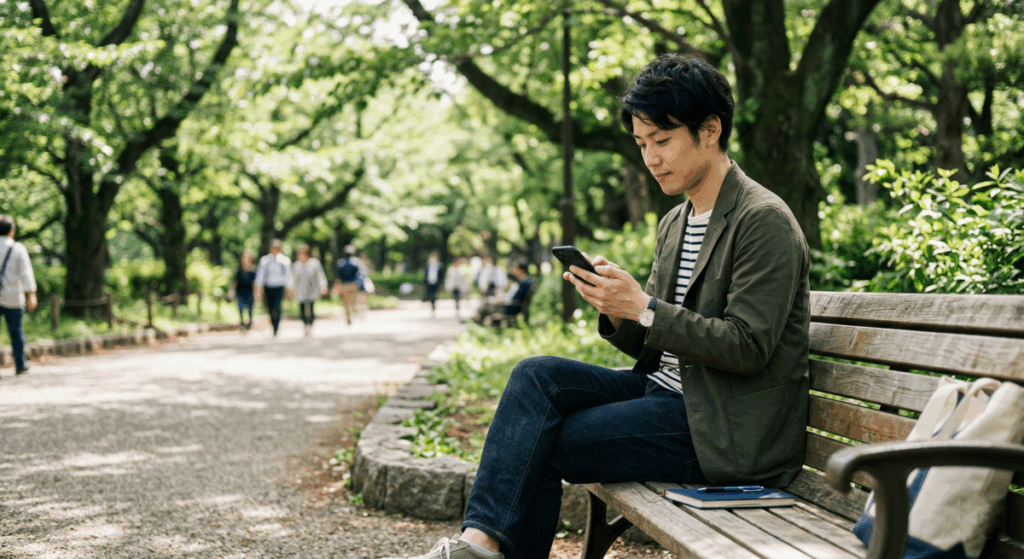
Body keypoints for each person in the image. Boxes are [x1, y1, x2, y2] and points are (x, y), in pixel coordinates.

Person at [392, 53, 811, 559]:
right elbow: (652, 339)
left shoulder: (762, 220)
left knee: (545, 443)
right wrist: (618, 309)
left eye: (662, 141)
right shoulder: (675, 222)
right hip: (670, 394)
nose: (651, 158)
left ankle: (477, 551)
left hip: (723, 427)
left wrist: (647, 307)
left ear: (710, 130)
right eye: (641, 144)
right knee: (534, 375)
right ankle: (478, 546)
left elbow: (748, 347)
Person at [0, 215, 37, 377]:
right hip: (13, 297)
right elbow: (26, 273)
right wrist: (31, 294)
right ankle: (20, 364)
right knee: (16, 332)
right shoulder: (18, 248)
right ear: (11, 231)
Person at [254, 239, 291, 337]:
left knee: (277, 307)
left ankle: (276, 327)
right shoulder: (265, 260)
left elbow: (288, 276)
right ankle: (272, 323)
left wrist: (289, 289)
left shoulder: (285, 260)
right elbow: (260, 276)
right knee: (270, 308)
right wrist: (258, 289)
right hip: (268, 287)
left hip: (279, 287)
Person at [290, 244, 328, 336]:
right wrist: (290, 289)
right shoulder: (296, 265)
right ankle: (305, 324)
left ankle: (310, 325)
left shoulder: (314, 263)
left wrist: (323, 287)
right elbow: (292, 278)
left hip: (312, 289)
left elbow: (320, 276)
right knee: (302, 309)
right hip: (300, 290)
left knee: (311, 308)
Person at [334, 245, 362, 325]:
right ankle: (352, 314)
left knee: (346, 302)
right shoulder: (356, 262)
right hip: (353, 284)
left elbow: (337, 276)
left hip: (343, 285)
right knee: (353, 301)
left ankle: (348, 316)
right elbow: (359, 275)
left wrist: (337, 286)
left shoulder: (340, 262)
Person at [232, 250, 257, 331]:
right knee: (240, 307)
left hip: (250, 292)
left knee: (250, 309)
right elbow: (234, 281)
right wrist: (231, 291)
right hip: (240, 292)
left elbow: (255, 283)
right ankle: (242, 323)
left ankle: (249, 323)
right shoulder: (239, 269)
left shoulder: (253, 270)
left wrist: (257, 293)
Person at [423, 252, 444, 317]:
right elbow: (425, 274)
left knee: (434, 295)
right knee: (430, 294)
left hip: (436, 283)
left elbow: (441, 275)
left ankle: (433, 306)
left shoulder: (439, 265)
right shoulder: (427, 265)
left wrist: (441, 283)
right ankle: (432, 305)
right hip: (429, 282)